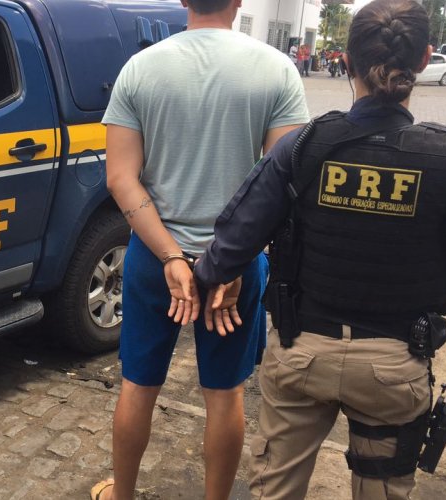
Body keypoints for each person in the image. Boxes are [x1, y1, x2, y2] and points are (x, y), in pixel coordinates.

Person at [192, 0, 446, 499]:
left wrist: (196, 274)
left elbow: (232, 244)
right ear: (425, 59)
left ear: (347, 61)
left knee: (274, 490)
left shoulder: (302, 145)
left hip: (302, 353)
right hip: (395, 365)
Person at [88, 0, 309, 498]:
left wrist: (171, 255)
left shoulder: (140, 69)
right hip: (235, 261)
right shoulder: (277, 71)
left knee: (138, 385)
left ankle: (122, 494)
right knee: (225, 393)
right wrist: (233, 260)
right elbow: (282, 188)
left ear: (184, 0)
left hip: (154, 256)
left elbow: (121, 178)